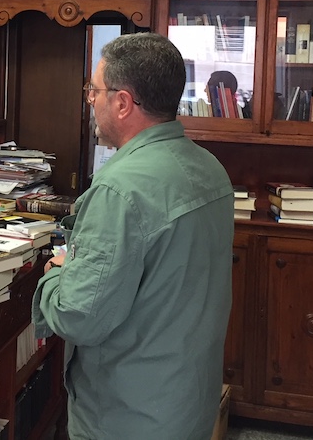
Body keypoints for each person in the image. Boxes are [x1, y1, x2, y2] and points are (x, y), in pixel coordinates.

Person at [33, 32, 234, 439]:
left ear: (122, 103)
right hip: (188, 401)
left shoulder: (119, 189)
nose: (90, 100)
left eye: (94, 90)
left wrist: (57, 273)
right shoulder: (210, 168)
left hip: (127, 415)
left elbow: (77, 317)